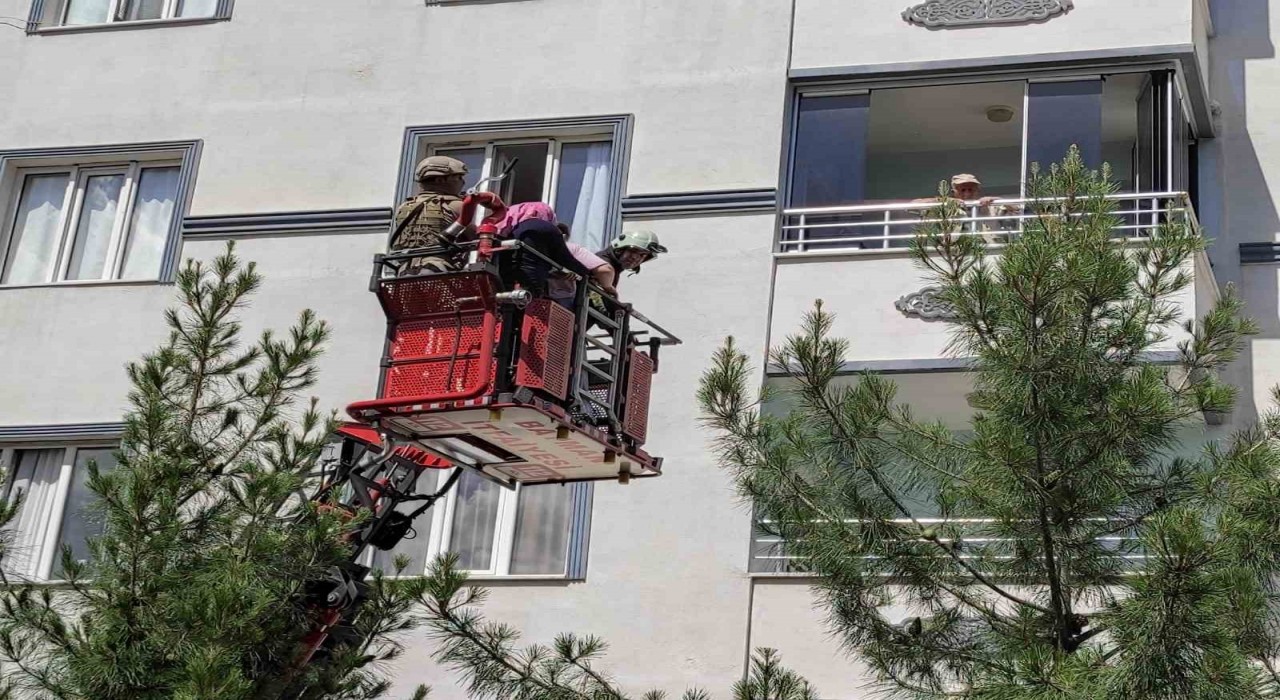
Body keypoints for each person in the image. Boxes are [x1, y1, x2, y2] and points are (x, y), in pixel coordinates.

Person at [387, 155, 471, 274]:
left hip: (405, 270)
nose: (463, 182)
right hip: (439, 269)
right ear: (440, 180)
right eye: (459, 177)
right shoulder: (455, 205)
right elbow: (476, 236)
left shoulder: (404, 207)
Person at [495, 202, 591, 297]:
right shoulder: (544, 227)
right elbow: (565, 259)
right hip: (530, 283)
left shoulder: (506, 231)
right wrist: (587, 274)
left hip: (502, 282)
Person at [549, 223, 617, 310]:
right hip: (560, 302)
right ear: (564, 237)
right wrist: (609, 288)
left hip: (535, 294)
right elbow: (606, 270)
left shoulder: (535, 245)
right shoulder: (571, 248)